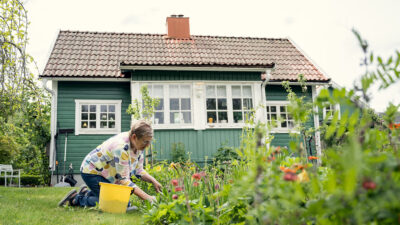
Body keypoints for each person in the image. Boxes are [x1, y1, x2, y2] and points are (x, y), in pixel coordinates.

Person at [58, 120, 162, 209]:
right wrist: (147, 197)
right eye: (145, 142)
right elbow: (124, 180)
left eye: (149, 142)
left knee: (122, 202)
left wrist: (154, 181)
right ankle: (76, 199)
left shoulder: (138, 146)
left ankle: (87, 193)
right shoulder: (121, 147)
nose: (147, 145)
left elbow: (138, 171)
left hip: (105, 174)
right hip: (92, 171)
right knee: (119, 205)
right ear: (134, 137)